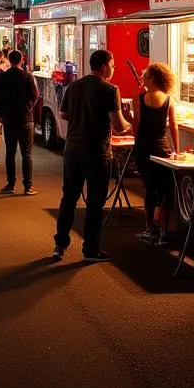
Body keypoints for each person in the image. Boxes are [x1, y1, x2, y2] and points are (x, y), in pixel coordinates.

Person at [52, 49, 131, 262]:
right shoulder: (110, 90)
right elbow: (118, 124)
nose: (113, 69)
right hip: (97, 152)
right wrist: (128, 125)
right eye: (112, 65)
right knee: (95, 202)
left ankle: (60, 245)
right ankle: (90, 249)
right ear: (104, 66)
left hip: (72, 150)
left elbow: (63, 114)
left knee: (69, 197)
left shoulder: (74, 86)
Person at [130, 62, 179, 245]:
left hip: (143, 147)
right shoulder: (169, 99)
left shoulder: (139, 99)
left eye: (146, 76)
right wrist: (176, 149)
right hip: (162, 147)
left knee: (150, 188)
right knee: (166, 189)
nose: (143, 79)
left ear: (154, 79)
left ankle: (150, 228)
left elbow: (136, 128)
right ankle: (164, 231)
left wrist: (129, 118)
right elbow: (173, 125)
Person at [0, 49, 40, 195]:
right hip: (26, 119)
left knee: (10, 152)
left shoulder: (3, 76)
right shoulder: (28, 76)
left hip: (8, 119)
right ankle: (28, 186)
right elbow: (35, 96)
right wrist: (29, 107)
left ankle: (10, 184)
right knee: (27, 153)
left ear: (9, 60)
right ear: (22, 60)